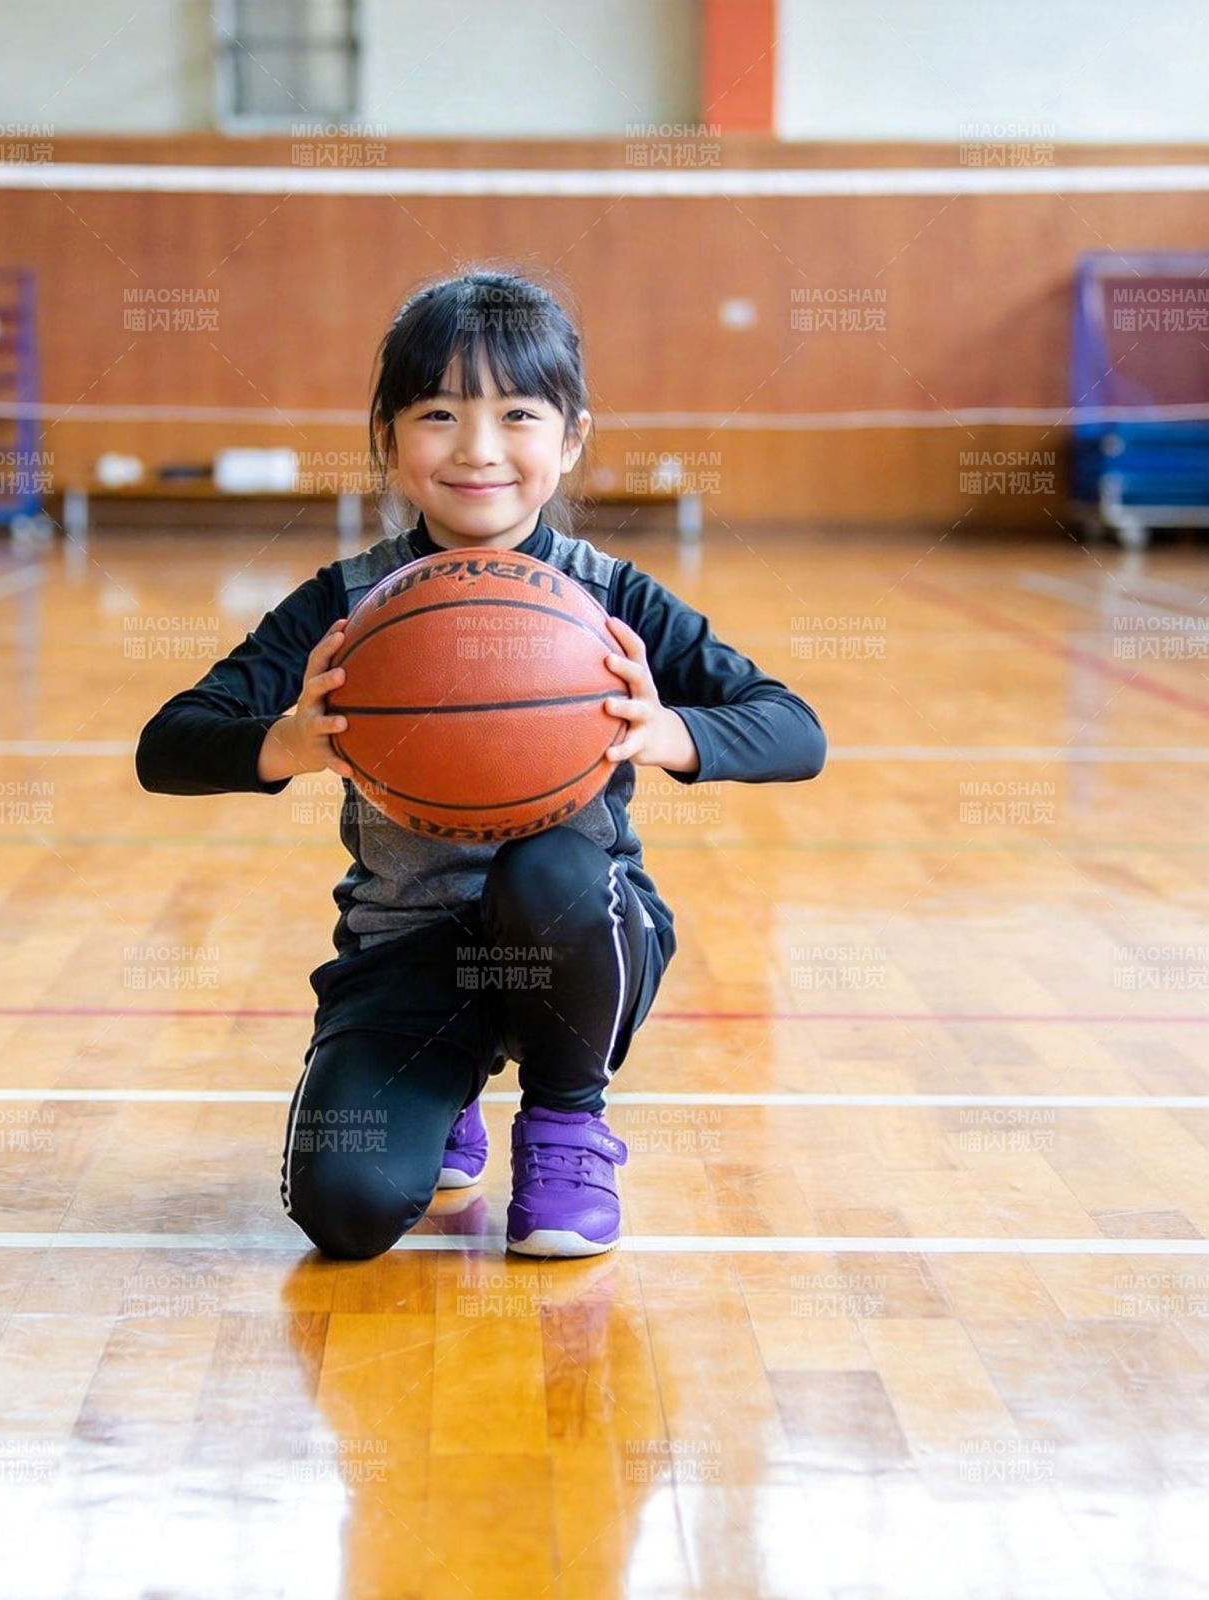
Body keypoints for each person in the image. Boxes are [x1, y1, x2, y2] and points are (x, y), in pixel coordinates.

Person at [136, 267, 827, 1261]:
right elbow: (167, 746)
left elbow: (794, 728)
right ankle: (443, 1079)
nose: (477, 449)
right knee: (346, 1210)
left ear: (571, 436)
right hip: (406, 953)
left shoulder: (607, 596)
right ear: (387, 436)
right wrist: (287, 742)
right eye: (437, 414)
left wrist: (665, 730)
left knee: (549, 866)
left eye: (517, 414)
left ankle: (565, 1124)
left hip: (576, 939)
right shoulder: (349, 601)